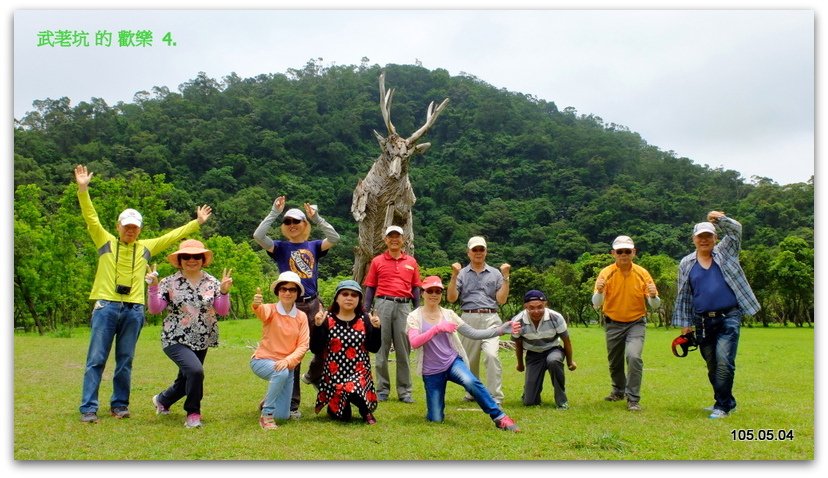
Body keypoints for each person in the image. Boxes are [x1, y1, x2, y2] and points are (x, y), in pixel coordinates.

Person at [74, 164, 212, 423]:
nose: (130, 230)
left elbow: (173, 236)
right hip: (107, 305)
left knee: (125, 360)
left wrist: (197, 223)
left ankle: (119, 405)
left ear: (140, 228)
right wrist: (83, 189)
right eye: (126, 226)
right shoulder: (104, 240)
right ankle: (89, 408)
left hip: (134, 309)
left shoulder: (146, 247)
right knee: (96, 359)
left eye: (135, 227)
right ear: (118, 226)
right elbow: (90, 217)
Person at [253, 196, 340, 419]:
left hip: (312, 303)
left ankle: (313, 376)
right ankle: (292, 403)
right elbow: (258, 236)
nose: (292, 225)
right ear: (284, 227)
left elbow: (334, 237)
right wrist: (274, 212)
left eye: (297, 221)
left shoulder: (313, 246)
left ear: (304, 224)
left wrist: (316, 217)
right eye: (288, 222)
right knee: (293, 353)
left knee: (324, 347)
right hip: (290, 304)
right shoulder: (280, 248)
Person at [672, 211, 760, 419]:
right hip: (702, 320)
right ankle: (726, 401)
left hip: (729, 316)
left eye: (708, 236)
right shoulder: (686, 263)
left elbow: (737, 230)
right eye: (700, 237)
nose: (704, 240)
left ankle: (722, 407)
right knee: (712, 364)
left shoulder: (726, 252)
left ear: (715, 238)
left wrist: (720, 220)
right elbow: (684, 294)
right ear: (693, 239)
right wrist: (686, 324)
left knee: (724, 361)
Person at [406, 276, 519, 432]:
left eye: (438, 291)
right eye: (429, 291)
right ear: (422, 293)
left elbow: (472, 332)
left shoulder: (449, 314)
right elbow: (415, 342)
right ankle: (433, 411)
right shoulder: (414, 316)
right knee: (436, 419)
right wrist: (437, 328)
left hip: (452, 362)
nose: (434, 294)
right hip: (431, 371)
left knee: (471, 381)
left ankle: (500, 417)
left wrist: (499, 330)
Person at [146, 239, 233, 428]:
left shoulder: (212, 282)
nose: (191, 260)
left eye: (196, 256)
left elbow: (222, 310)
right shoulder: (169, 282)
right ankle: (193, 413)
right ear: (179, 260)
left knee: (186, 378)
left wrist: (224, 292)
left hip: (202, 336)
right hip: (174, 337)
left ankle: (162, 400)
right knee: (195, 371)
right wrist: (153, 287)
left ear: (203, 259)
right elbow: (155, 309)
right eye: (186, 256)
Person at [592, 235, 661, 412]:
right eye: (620, 251)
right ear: (613, 253)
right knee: (614, 361)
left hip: (636, 323)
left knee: (634, 357)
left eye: (627, 251)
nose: (624, 254)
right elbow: (597, 302)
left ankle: (633, 399)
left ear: (634, 253)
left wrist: (653, 296)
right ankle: (618, 390)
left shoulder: (642, 273)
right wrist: (599, 290)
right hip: (613, 323)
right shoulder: (606, 273)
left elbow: (654, 305)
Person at [446, 236, 510, 405]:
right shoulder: (461, 274)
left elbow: (501, 300)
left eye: (481, 249)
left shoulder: (496, 273)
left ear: (486, 251)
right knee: (469, 359)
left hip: (491, 317)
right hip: (468, 317)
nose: (478, 253)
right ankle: (472, 393)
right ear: (468, 253)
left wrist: (506, 277)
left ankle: (495, 396)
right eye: (475, 249)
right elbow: (452, 298)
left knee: (491, 355)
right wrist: (453, 276)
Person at [362, 225, 422, 403]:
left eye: (397, 236)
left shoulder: (411, 262)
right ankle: (382, 390)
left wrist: (418, 311)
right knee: (381, 349)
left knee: (404, 350)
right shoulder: (377, 261)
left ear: (403, 239)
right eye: (391, 236)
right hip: (383, 305)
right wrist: (366, 311)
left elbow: (416, 288)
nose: (394, 239)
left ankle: (404, 391)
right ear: (385, 239)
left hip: (404, 306)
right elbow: (370, 287)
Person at [311, 280, 382, 425]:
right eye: (345, 294)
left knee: (353, 387)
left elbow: (373, 348)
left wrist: (376, 329)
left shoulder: (365, 319)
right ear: (337, 297)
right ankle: (335, 405)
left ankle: (365, 411)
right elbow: (316, 349)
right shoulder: (327, 318)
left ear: (359, 300)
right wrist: (318, 326)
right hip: (334, 375)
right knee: (343, 417)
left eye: (354, 295)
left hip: (359, 373)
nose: (349, 298)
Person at [250, 271, 310, 430]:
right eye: (283, 289)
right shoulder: (270, 309)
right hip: (262, 360)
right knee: (281, 372)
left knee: (283, 415)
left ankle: (267, 401)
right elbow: (260, 311)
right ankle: (266, 415)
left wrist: (287, 361)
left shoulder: (301, 316)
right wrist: (256, 304)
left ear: (297, 293)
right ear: (278, 292)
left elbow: (303, 345)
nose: (287, 292)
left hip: (286, 366)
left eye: (292, 289)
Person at [511, 290, 577, 409]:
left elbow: (566, 341)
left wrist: (570, 362)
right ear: (525, 307)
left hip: (553, 350)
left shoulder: (555, 317)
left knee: (554, 361)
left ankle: (562, 401)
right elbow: (518, 344)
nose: (536, 311)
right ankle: (529, 392)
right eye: (531, 308)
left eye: (540, 307)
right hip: (533, 354)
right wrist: (520, 364)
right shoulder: (517, 321)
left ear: (545, 304)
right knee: (530, 402)